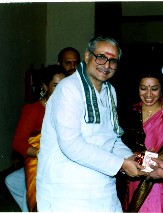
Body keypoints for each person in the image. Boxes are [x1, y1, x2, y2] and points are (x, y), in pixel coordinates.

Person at [36, 36, 145, 212]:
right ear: (87, 56)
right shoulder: (68, 89)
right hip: (67, 190)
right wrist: (120, 164)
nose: (106, 65)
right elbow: (71, 145)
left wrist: (131, 158)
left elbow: (112, 139)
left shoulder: (110, 91)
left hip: (102, 186)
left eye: (113, 61)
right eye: (101, 57)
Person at [5, 65, 68, 212]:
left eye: (64, 85)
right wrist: (46, 156)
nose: (61, 90)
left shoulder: (69, 108)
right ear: (45, 87)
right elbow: (18, 143)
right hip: (40, 163)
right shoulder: (33, 110)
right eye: (55, 85)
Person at [120, 69, 163, 212]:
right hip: (134, 176)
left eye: (154, 89)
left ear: (162, 89)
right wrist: (139, 159)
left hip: (161, 179)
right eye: (143, 88)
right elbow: (119, 147)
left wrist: (157, 157)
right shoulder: (129, 115)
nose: (149, 94)